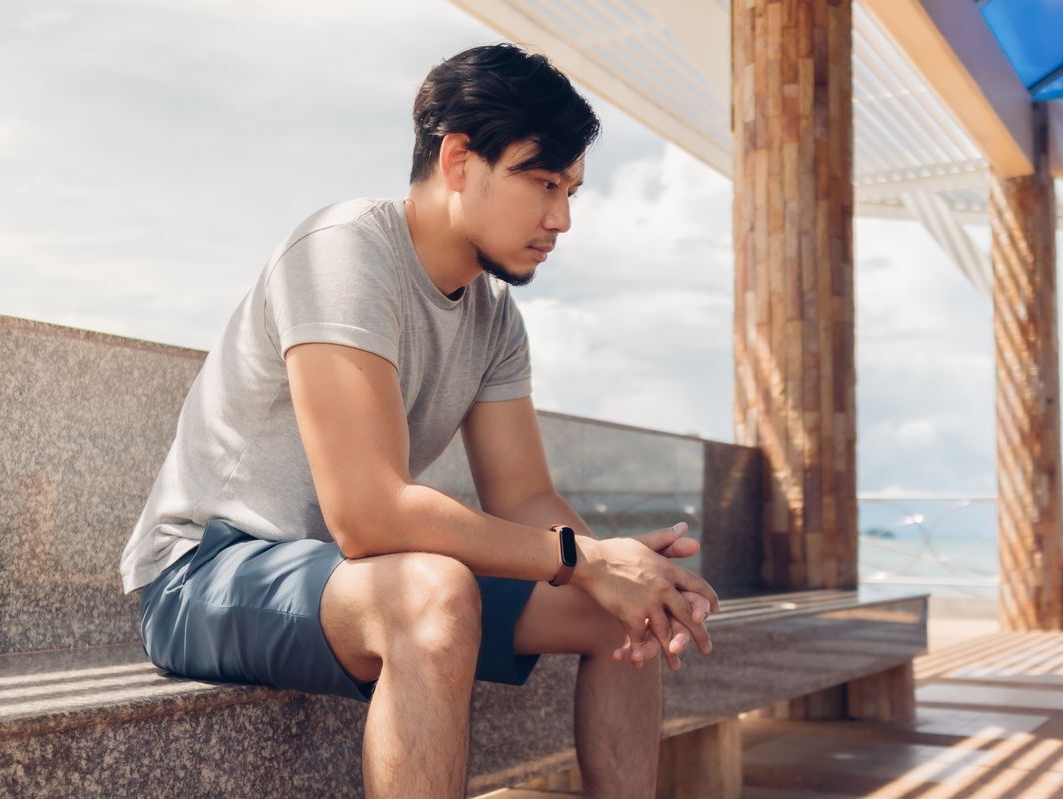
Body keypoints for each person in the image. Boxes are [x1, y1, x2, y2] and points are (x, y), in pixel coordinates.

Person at [120, 43, 721, 798]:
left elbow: (528, 501)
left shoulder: (493, 318)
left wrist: (625, 569)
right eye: (542, 182)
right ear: (460, 160)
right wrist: (587, 559)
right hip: (204, 571)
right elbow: (368, 516)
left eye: (571, 190)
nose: (561, 218)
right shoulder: (343, 253)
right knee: (436, 593)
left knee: (618, 615)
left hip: (351, 578)